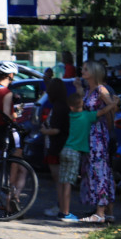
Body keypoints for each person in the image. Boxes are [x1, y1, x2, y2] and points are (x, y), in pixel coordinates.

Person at [43, 90, 120, 225]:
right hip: (74, 153)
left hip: (65, 150)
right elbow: (103, 112)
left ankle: (62, 210)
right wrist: (113, 103)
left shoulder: (71, 115)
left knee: (62, 181)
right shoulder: (87, 116)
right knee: (68, 183)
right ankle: (65, 213)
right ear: (83, 104)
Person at [0, 61, 29, 209]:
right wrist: (17, 112)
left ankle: (10, 199)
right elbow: (7, 114)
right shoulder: (7, 93)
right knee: (17, 166)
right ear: (10, 75)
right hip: (9, 132)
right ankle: (11, 200)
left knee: (6, 165)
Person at [78, 60, 118, 224]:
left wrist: (109, 112)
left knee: (99, 170)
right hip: (90, 134)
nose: (83, 71)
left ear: (94, 72)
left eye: (86, 69)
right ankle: (106, 211)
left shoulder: (101, 90)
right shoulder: (89, 90)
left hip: (98, 135)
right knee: (93, 170)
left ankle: (100, 213)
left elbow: (113, 107)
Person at [40, 78, 75, 221]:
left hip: (56, 147)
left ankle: (61, 208)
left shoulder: (59, 107)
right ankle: (60, 206)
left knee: (59, 181)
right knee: (60, 180)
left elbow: (56, 129)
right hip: (58, 146)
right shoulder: (63, 105)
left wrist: (44, 131)